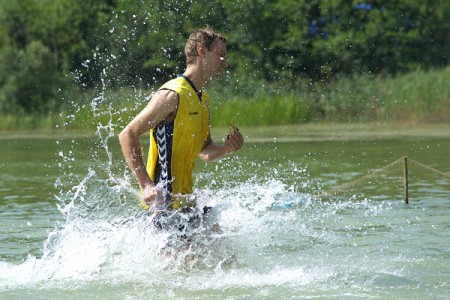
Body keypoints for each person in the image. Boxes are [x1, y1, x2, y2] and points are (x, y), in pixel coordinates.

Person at [119, 27, 244, 215]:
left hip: (186, 206)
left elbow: (204, 150)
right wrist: (146, 185)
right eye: (220, 55)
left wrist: (225, 149)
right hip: (161, 209)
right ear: (202, 51)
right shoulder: (172, 94)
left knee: (224, 239)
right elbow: (127, 134)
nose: (225, 63)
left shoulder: (203, 99)